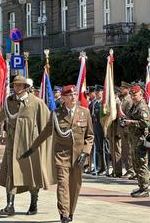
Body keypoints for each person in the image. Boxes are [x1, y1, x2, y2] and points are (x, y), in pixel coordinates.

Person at [0, 75, 56, 216]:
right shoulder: (9, 102)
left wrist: (43, 142)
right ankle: (10, 206)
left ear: (25, 87)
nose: (16, 87)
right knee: (11, 174)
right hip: (12, 144)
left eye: (19, 85)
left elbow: (48, 123)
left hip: (30, 145)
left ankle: (33, 204)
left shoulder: (36, 102)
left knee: (32, 175)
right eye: (15, 85)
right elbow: (2, 115)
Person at [20, 85, 94, 223]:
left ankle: (71, 211)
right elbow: (45, 133)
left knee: (75, 186)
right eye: (70, 95)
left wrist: (85, 152)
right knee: (63, 185)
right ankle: (64, 213)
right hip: (62, 156)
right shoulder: (56, 114)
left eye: (75, 94)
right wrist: (32, 148)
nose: (73, 97)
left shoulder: (85, 112)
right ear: (64, 98)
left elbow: (90, 136)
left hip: (79, 157)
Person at [124, 85, 150, 197]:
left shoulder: (142, 107)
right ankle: (141, 185)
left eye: (135, 94)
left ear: (141, 94)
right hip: (134, 138)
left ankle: (145, 188)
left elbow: (145, 123)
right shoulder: (133, 106)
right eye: (132, 95)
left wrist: (131, 122)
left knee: (141, 163)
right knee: (136, 163)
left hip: (140, 139)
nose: (133, 97)